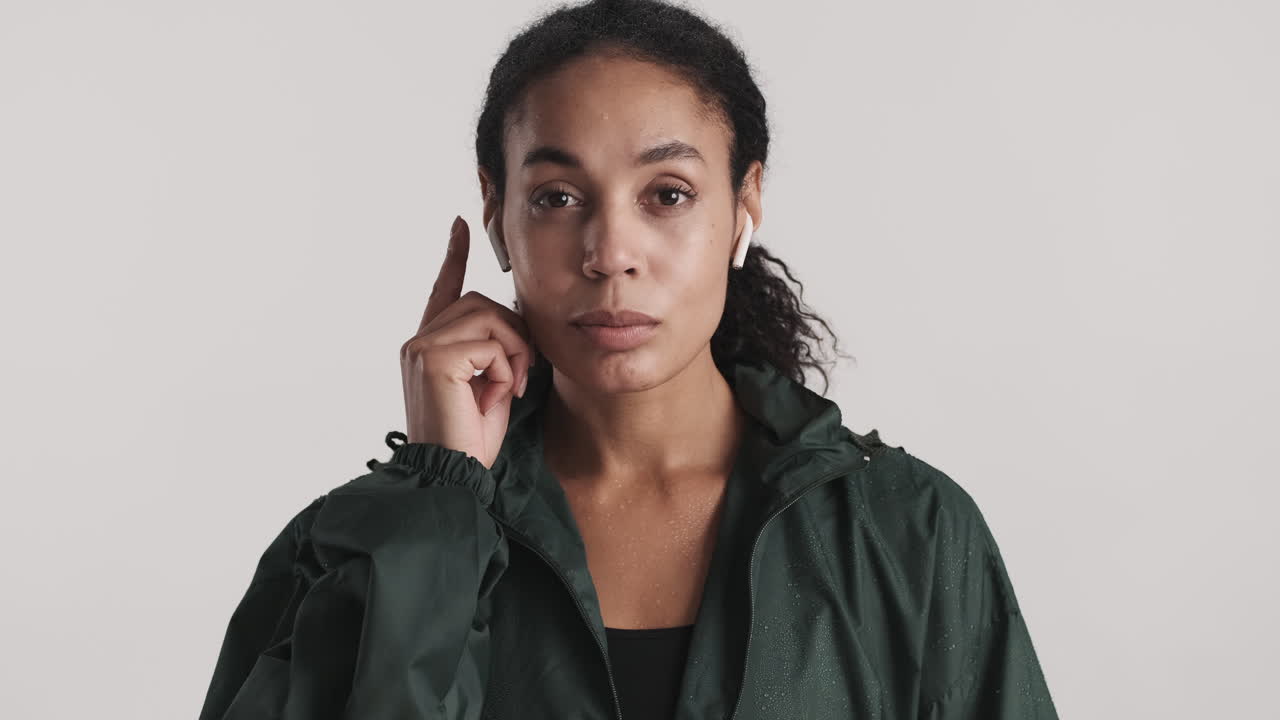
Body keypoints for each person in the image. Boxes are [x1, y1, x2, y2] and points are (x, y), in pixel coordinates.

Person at [198, 1, 1059, 718]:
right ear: (496, 212)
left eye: (668, 195)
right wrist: (437, 503)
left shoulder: (906, 531)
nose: (611, 251)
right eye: (558, 197)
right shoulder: (352, 548)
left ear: (745, 202)